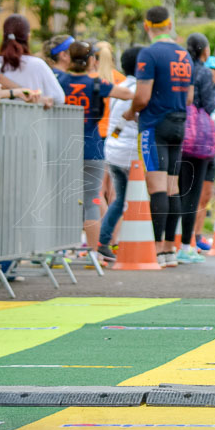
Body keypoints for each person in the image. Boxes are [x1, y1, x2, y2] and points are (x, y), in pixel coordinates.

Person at [123, 6, 194, 267]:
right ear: (170, 24)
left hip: (154, 124)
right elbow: (189, 97)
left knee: (157, 188)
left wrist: (131, 112)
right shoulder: (184, 55)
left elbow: (141, 96)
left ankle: (155, 250)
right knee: (173, 187)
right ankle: (169, 250)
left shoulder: (149, 54)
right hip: (178, 123)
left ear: (146, 26)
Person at [56, 41, 133, 263]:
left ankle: (62, 252)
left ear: (68, 59)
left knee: (63, 199)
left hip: (64, 147)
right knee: (91, 201)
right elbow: (127, 94)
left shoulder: (60, 80)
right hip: (92, 146)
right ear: (91, 60)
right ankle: (93, 253)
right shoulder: (97, 83)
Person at [175, 32, 215, 263]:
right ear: (204, 50)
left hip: (178, 133)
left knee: (177, 189)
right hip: (198, 140)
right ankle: (185, 245)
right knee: (192, 192)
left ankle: (168, 244)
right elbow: (209, 105)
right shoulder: (203, 71)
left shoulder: (182, 68)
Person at [98, 46, 142, 260]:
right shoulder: (138, 90)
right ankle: (135, 245)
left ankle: (105, 241)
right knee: (134, 199)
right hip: (130, 152)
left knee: (119, 199)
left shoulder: (120, 86)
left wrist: (115, 141)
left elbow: (117, 125)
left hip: (113, 148)